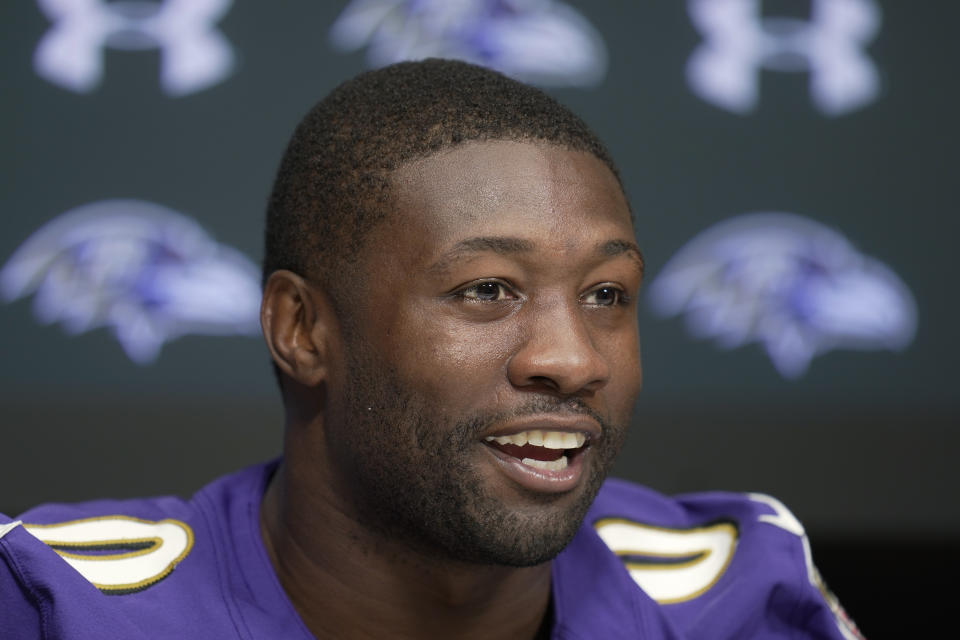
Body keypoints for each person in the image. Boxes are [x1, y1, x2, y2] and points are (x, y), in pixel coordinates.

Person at [0, 59, 862, 639]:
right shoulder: (54, 607)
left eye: (607, 296)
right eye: (487, 290)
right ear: (302, 330)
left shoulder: (734, 597)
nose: (573, 359)